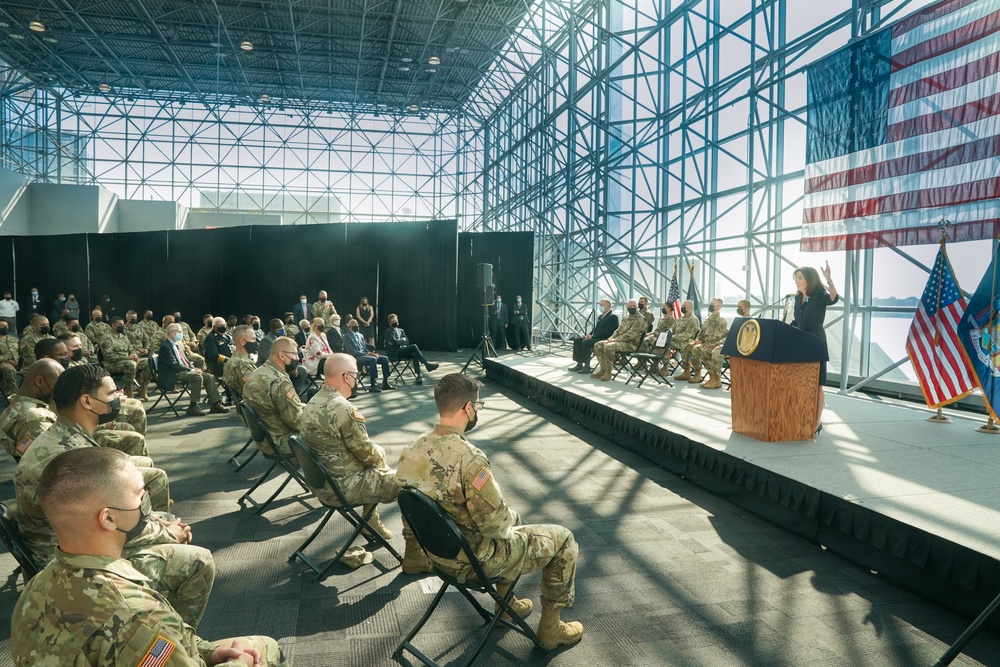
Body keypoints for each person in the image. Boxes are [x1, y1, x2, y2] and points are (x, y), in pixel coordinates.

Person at [10, 447, 286, 666]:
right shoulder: (135, 614)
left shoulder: (37, 586)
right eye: (139, 494)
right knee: (265, 647)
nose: (145, 502)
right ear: (108, 518)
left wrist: (205, 652)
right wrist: (241, 661)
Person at [12, 365, 216, 626]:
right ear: (87, 401)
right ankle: (171, 638)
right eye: (110, 393)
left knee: (163, 518)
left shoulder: (64, 437)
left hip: (70, 542)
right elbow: (107, 522)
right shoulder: (70, 457)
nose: (118, 398)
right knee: (198, 562)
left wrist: (159, 524)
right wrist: (167, 533)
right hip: (73, 565)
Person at [396, 373, 583, 650]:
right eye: (478, 407)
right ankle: (551, 628)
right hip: (475, 562)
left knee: (516, 519)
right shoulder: (469, 458)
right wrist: (507, 519)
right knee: (564, 539)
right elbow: (495, 526)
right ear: (468, 408)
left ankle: (508, 606)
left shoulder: (412, 449)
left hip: (438, 555)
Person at [299, 353, 417, 570]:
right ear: (346, 376)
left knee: (376, 462)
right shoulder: (343, 409)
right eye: (356, 374)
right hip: (342, 488)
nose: (357, 378)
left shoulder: (312, 401)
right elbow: (367, 453)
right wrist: (379, 457)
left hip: (322, 483)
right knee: (411, 484)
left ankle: (370, 520)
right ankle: (415, 557)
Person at [791, 262, 839, 435]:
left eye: (800, 278)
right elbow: (797, 321)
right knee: (802, 382)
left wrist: (829, 280)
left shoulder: (819, 295)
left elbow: (833, 298)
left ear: (809, 279)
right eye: (796, 278)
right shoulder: (797, 298)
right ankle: (802, 416)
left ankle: (816, 422)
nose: (797, 281)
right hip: (800, 343)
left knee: (817, 383)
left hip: (816, 342)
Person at [242, 337, 303, 457]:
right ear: (282, 355)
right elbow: (296, 421)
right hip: (282, 441)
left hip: (267, 439)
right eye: (295, 354)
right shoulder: (280, 381)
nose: (298, 358)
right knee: (331, 436)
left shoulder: (259, 372)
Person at [157, 323, 229, 416]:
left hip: (183, 371)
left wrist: (193, 368)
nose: (181, 333)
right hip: (173, 374)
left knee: (208, 377)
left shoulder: (178, 345)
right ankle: (193, 406)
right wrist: (191, 370)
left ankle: (215, 404)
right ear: (171, 333)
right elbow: (174, 365)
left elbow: (185, 361)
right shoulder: (165, 347)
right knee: (197, 377)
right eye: (179, 331)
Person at [591, 299, 647, 381]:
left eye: (634, 306)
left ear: (637, 307)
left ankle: (608, 373)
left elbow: (630, 335)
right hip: (620, 342)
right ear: (627, 307)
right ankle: (603, 369)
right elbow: (618, 330)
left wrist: (614, 340)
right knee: (598, 344)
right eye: (630, 306)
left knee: (609, 346)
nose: (632, 308)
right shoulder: (626, 318)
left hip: (631, 344)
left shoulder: (640, 319)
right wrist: (611, 338)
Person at [101, 316, 151, 399]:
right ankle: (129, 391)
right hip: (112, 364)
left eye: (123, 324)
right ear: (113, 325)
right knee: (131, 364)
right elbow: (109, 356)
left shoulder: (123, 336)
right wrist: (128, 358)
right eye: (119, 325)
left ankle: (143, 387)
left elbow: (131, 349)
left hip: (127, 360)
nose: (122, 326)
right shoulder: (107, 337)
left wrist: (134, 355)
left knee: (148, 361)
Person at [384, 313, 439, 385]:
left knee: (414, 354)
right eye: (393, 321)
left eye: (396, 320)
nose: (395, 322)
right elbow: (395, 341)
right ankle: (426, 364)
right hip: (395, 353)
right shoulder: (388, 331)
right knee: (414, 346)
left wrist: (399, 341)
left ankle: (419, 376)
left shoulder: (401, 330)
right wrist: (401, 340)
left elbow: (407, 341)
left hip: (402, 350)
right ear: (390, 323)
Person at [344, 318, 395, 393]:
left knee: (384, 358)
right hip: (356, 357)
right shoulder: (346, 336)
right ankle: (373, 384)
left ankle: (385, 382)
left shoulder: (360, 335)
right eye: (354, 325)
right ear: (350, 327)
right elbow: (352, 352)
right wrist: (368, 354)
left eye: (357, 325)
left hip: (364, 355)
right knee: (373, 359)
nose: (356, 327)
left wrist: (372, 353)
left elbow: (364, 348)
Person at [568, 298, 618, 373]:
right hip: (596, 337)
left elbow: (608, 332)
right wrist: (589, 335)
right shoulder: (601, 316)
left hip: (604, 338)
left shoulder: (612, 317)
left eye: (602, 305)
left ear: (608, 306)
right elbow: (596, 329)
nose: (600, 306)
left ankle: (587, 366)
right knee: (578, 341)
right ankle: (579, 364)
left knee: (586, 343)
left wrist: (593, 337)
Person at [690, 298, 728, 389]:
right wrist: (697, 340)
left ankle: (717, 380)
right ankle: (711, 377)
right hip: (706, 343)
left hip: (715, 344)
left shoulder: (721, 320)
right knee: (694, 348)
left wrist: (702, 341)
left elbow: (717, 337)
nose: (710, 305)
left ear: (718, 307)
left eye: (712, 304)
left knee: (706, 350)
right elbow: (701, 332)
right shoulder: (708, 319)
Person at [223, 325, 258, 398]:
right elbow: (254, 389)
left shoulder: (232, 360)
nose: (256, 342)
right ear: (242, 341)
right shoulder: (244, 364)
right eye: (253, 339)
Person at [671, 300, 702, 381]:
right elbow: (673, 329)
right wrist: (668, 335)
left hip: (687, 341)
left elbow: (688, 335)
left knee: (685, 347)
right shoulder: (681, 318)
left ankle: (687, 372)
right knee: (661, 343)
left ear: (689, 308)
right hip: (677, 340)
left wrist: (673, 337)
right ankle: (662, 366)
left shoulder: (692, 319)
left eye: (684, 306)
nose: (682, 307)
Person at [0, 318, 17, 394]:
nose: (5, 327)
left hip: (18, 361)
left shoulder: (14, 339)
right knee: (9, 370)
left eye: (6, 326)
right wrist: (8, 361)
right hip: (3, 363)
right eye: (3, 326)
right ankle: (13, 395)